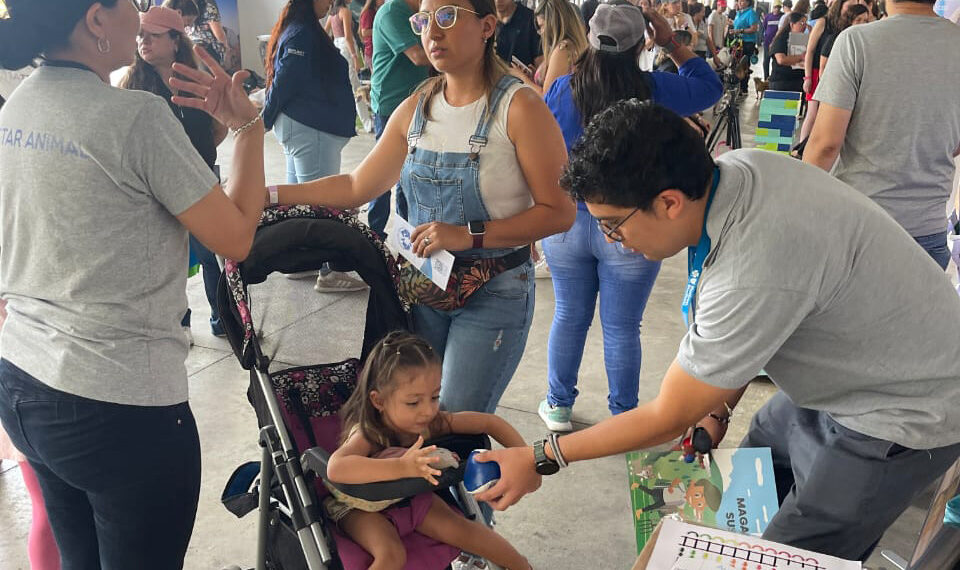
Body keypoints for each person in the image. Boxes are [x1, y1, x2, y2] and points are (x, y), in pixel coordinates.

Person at [473, 101, 960, 562]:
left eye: (613, 225)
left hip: (904, 407)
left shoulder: (752, 265)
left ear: (669, 202)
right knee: (741, 492)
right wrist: (717, 406)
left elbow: (668, 416)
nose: (613, 241)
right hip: (852, 367)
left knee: (786, 558)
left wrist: (543, 456)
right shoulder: (737, 172)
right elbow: (753, 325)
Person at [0, 0, 266, 566]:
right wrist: (248, 127)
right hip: (118, 405)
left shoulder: (18, 106)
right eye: (129, 6)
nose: (140, 19)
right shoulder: (137, 116)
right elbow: (236, 237)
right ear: (96, 20)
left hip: (23, 380)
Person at [267, 0, 574, 416]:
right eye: (423, 20)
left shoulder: (519, 107)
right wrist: (271, 196)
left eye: (447, 16)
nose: (432, 31)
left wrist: (468, 234)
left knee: (454, 419)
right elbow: (356, 186)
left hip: (494, 291)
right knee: (414, 417)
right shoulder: (417, 108)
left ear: (487, 26)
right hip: (425, 286)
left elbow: (559, 211)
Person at [539, 4, 721, 430]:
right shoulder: (656, 89)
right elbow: (709, 87)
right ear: (642, 43)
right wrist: (671, 42)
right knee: (622, 327)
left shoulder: (561, 90)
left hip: (567, 224)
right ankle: (624, 416)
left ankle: (558, 405)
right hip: (634, 227)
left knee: (568, 315)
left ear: (589, 40)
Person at [325, 332, 532, 569]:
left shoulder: (431, 423)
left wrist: (528, 460)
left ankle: (522, 566)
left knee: (465, 530)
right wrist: (401, 466)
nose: (427, 410)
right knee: (392, 554)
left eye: (434, 397)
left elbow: (489, 423)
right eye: (413, 402)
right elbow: (336, 467)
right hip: (360, 507)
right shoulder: (370, 431)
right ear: (379, 401)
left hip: (408, 497)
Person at [805, 0, 960, 269]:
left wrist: (799, 201)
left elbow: (826, 145)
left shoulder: (856, 42)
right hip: (928, 229)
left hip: (859, 228)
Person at [121, 6, 228, 343]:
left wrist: (193, 158)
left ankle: (223, 319)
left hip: (201, 181)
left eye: (153, 35)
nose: (144, 42)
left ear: (175, 40)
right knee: (168, 262)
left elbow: (218, 128)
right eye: (141, 35)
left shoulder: (197, 81)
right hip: (157, 193)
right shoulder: (132, 88)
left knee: (212, 255)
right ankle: (179, 324)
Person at [263, 0, 366, 292]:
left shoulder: (300, 29)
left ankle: (302, 261)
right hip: (310, 129)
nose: (331, 2)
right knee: (323, 204)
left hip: (304, 127)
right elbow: (285, 81)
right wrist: (263, 121)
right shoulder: (302, 32)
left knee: (300, 200)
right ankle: (329, 271)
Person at [367, 0, 432, 237]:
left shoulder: (418, 13)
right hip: (391, 104)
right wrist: (459, 56)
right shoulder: (393, 11)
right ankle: (374, 235)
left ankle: (406, 238)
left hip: (415, 102)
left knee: (409, 173)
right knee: (384, 174)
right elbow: (418, 56)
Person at [510, 0, 588, 96]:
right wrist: (535, 78)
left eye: (542, 26)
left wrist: (522, 78)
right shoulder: (571, 46)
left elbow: (546, 96)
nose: (541, 32)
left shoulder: (562, 50)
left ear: (554, 23)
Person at [329, 0, 375, 133]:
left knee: (344, 86)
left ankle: (345, 121)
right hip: (347, 48)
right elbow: (348, 36)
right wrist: (355, 57)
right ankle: (367, 123)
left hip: (337, 46)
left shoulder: (332, 14)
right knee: (356, 88)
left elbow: (325, 31)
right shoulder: (345, 12)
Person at [816, 3, 870, 73]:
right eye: (858, 20)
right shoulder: (835, 38)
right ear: (850, 21)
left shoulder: (866, 41)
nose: (862, 23)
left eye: (865, 21)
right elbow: (823, 67)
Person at [494, 0, 543, 68]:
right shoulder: (484, 19)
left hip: (522, 73)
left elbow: (540, 64)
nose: (498, 1)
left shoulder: (530, 19)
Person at [767, 11, 806, 91]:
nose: (804, 26)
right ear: (792, 24)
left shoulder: (804, 39)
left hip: (798, 80)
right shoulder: (781, 38)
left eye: (805, 23)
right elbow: (781, 59)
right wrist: (801, 57)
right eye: (802, 23)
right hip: (782, 82)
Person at [186, 0, 229, 65]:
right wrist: (226, 50)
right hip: (206, 50)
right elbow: (219, 34)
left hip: (191, 48)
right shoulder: (209, 6)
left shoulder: (183, 5)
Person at [730, 0, 759, 93]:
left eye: (742, 1)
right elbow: (738, 24)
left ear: (748, 2)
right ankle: (736, 86)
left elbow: (754, 28)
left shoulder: (751, 13)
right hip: (738, 42)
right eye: (739, 1)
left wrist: (740, 31)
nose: (739, 3)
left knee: (744, 65)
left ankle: (743, 87)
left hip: (747, 43)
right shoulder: (739, 12)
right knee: (735, 64)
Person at [359, 0, 386, 71]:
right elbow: (364, 32)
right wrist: (381, 29)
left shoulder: (375, 11)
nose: (383, 1)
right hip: (371, 50)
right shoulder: (368, 13)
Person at [761, 1, 783, 79]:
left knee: (776, 62)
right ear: (773, 8)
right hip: (767, 42)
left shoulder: (782, 16)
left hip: (777, 43)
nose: (777, 9)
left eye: (779, 8)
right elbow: (765, 27)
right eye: (775, 7)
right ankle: (766, 78)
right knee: (766, 61)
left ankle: (774, 78)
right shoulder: (768, 16)